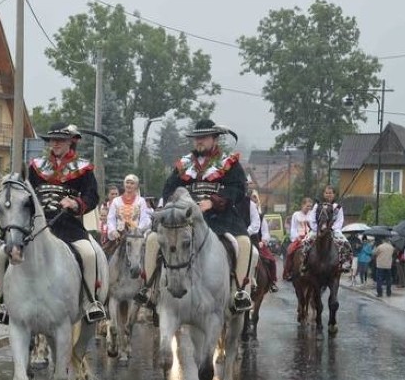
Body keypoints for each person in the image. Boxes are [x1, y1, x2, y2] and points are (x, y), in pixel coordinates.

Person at [0, 122, 107, 324]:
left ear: (70, 142)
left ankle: (90, 302)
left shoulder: (84, 168)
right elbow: (23, 193)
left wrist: (76, 203)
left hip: (68, 226)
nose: (56, 144)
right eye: (53, 140)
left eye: (60, 140)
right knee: (2, 253)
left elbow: (92, 197)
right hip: (37, 226)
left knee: (88, 253)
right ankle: (2, 303)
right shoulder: (36, 167)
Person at [137, 119, 253, 314]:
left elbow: (238, 188)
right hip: (185, 220)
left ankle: (238, 292)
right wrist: (176, 205)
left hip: (221, 219)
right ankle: (150, 289)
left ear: (214, 139)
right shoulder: (184, 164)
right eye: (196, 138)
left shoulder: (229, 163)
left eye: (203, 137)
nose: (199, 141)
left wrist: (214, 202)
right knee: (152, 240)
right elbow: (168, 189)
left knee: (244, 243)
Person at [300, 185, 352, 273]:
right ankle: (304, 262)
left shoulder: (337, 207)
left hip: (333, 231)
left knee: (346, 244)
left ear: (334, 194)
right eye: (326, 193)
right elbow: (312, 219)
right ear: (324, 194)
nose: (328, 195)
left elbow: (340, 221)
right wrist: (317, 229)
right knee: (305, 242)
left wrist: (331, 229)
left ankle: (345, 262)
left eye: (330, 193)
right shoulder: (317, 206)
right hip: (317, 230)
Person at [107, 174, 152, 240]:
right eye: (127, 183)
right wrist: (113, 231)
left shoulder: (141, 201)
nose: (129, 185)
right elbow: (111, 218)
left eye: (132, 183)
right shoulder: (116, 201)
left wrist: (138, 230)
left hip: (136, 235)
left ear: (136, 186)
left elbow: (144, 218)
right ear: (124, 184)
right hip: (119, 235)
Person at [249, 190, 278, 293]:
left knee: (271, 260)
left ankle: (272, 282)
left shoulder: (261, 217)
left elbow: (265, 232)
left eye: (255, 197)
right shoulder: (244, 213)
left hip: (259, 243)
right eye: (251, 197)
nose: (253, 199)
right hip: (247, 242)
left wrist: (263, 241)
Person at [282, 197, 314, 280]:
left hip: (310, 236)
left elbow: (314, 227)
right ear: (302, 205)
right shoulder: (296, 214)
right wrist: (297, 237)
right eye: (307, 206)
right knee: (290, 250)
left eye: (310, 206)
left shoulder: (312, 214)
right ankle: (288, 271)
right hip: (299, 236)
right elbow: (293, 228)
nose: (309, 208)